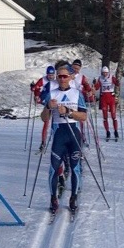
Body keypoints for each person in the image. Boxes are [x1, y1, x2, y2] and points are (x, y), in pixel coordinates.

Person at [41, 64, 88, 212]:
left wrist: (69, 111)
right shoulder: (51, 94)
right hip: (59, 135)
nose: (62, 79)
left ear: (70, 77)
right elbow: (44, 118)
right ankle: (53, 198)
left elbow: (84, 116)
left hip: (73, 134)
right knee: (53, 168)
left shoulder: (77, 94)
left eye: (64, 76)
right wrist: (48, 107)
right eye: (59, 76)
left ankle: (73, 197)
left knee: (75, 168)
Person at [32, 65, 56, 151]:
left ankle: (58, 142)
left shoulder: (57, 80)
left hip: (56, 103)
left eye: (52, 75)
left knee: (56, 123)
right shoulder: (43, 80)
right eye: (49, 75)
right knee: (46, 122)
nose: (51, 77)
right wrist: (36, 94)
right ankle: (43, 142)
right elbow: (36, 88)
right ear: (47, 74)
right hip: (47, 103)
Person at [94, 66, 119, 141]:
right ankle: (107, 132)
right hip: (104, 98)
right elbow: (97, 88)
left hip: (111, 98)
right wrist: (95, 83)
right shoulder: (100, 78)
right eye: (103, 73)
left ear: (108, 72)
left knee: (113, 116)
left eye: (106, 73)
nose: (105, 74)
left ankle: (116, 131)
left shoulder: (111, 77)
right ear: (102, 72)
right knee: (105, 117)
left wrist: (117, 81)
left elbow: (117, 84)